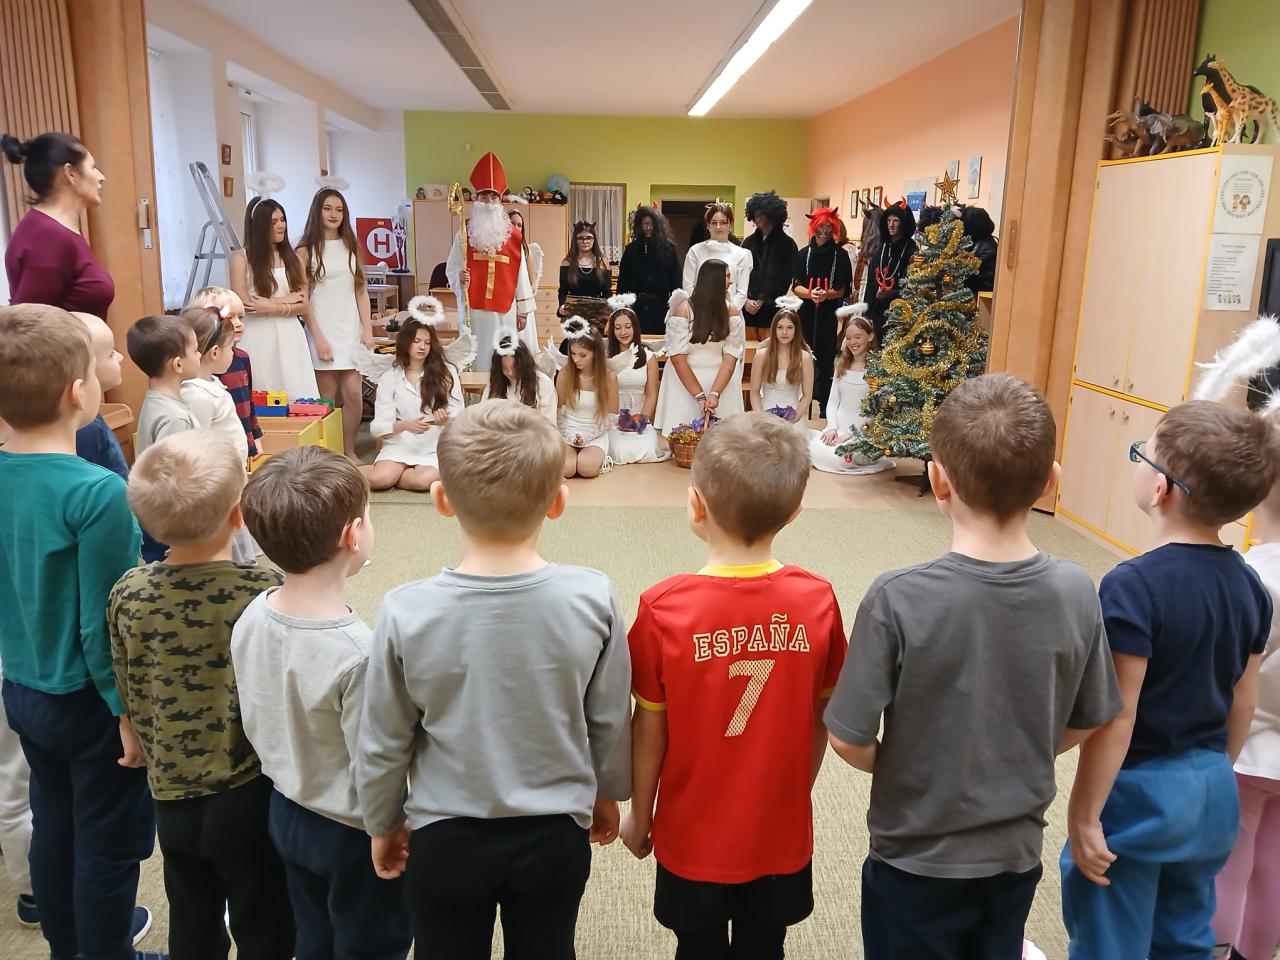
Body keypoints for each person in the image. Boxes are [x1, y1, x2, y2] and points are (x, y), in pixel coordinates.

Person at [826, 373, 1122, 959]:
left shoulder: (896, 597)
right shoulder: (1076, 589)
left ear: (937, 480)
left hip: (912, 858)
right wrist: (1023, 748)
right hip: (1015, 854)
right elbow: (1090, 716)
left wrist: (904, 766)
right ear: (1051, 481)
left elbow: (847, 738)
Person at [356, 399, 632, 957]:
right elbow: (608, 717)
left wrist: (382, 822)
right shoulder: (592, 597)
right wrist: (609, 792)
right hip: (555, 832)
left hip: (445, 835)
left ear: (440, 500)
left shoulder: (405, 611)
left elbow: (384, 737)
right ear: (558, 502)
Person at [621, 412, 846, 957]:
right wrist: (794, 795)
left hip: (692, 835)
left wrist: (640, 814)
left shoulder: (663, 609)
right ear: (795, 511)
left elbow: (649, 729)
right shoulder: (817, 601)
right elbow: (821, 719)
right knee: (765, 945)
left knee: (695, 946)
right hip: (779, 831)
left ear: (695, 506)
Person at [1062, 401, 1280, 960]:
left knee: (1111, 936)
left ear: (1161, 489)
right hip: (1212, 787)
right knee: (1185, 936)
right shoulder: (1250, 586)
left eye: (1142, 454)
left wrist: (1083, 814)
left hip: (1141, 792)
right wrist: (1214, 773)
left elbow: (1118, 713)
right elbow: (1243, 701)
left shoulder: (1132, 585)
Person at [0, 304, 162, 960]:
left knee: (56, 822)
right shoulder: (98, 494)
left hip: (22, 689)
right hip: (90, 702)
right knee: (107, 843)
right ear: (78, 392)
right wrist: (127, 713)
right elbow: (107, 623)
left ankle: (68, 949)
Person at [108, 432, 293, 960]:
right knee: (263, 915)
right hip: (248, 789)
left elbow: (125, 674)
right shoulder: (262, 588)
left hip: (169, 790)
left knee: (191, 914)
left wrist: (130, 732)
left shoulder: (129, 591)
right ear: (240, 514)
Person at [234, 448, 412, 960]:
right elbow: (375, 760)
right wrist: (390, 827)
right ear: (353, 535)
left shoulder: (253, 613)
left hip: (285, 806)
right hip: (351, 829)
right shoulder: (358, 652)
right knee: (371, 942)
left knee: (311, 932)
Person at [1213, 434, 1280, 960]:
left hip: (1246, 750)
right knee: (1273, 869)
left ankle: (1210, 948)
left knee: (1229, 868)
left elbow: (1230, 671)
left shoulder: (1255, 577)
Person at [298, 188, 374, 460]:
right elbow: (303, 300)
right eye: (328, 208)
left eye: (339, 209)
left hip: (350, 330)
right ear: (317, 212)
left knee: (353, 394)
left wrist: (367, 329)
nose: (334, 214)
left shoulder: (352, 247)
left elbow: (361, 290)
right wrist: (318, 338)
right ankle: (328, 454)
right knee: (327, 397)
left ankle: (348, 450)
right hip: (322, 330)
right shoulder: (305, 251)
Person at [2, 132, 113, 318]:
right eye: (92, 167)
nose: (101, 177)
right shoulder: (50, 237)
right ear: (70, 173)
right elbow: (27, 324)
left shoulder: (54, 229)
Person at [445, 152, 534, 373]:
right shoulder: (465, 232)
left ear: (500, 200)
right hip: (475, 311)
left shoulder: (513, 235)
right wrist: (458, 276)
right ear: (476, 199)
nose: (489, 202)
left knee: (503, 357)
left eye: (494, 197)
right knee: (478, 357)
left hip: (505, 311)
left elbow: (521, 274)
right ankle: (476, 394)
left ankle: (501, 393)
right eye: (484, 196)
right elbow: (452, 267)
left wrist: (523, 310)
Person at [230, 198, 320, 399]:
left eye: (282, 220)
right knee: (262, 390)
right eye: (273, 222)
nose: (281, 226)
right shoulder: (241, 258)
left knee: (296, 391)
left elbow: (303, 303)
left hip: (290, 334)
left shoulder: (294, 258)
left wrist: (271, 305)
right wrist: (288, 300)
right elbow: (245, 304)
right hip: (257, 335)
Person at [364, 313, 464, 493]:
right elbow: (378, 427)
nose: (422, 347)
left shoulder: (447, 372)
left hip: (433, 444)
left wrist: (445, 421)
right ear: (406, 342)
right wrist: (404, 426)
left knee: (423, 481)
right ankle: (353, 472)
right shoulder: (390, 377)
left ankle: (396, 477)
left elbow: (460, 414)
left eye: (427, 342)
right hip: (400, 443)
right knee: (380, 479)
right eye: (417, 341)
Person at [654, 260, 746, 436]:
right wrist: (699, 395)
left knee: (724, 438)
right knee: (684, 437)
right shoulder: (683, 310)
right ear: (714, 279)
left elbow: (731, 357)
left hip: (720, 379)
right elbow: (678, 358)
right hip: (685, 379)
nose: (731, 281)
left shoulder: (731, 311)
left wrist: (715, 393)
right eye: (727, 276)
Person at [810, 306, 895, 476]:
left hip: (862, 431)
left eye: (858, 337)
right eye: (848, 338)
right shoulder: (842, 365)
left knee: (841, 457)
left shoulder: (878, 369)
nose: (852, 342)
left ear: (870, 337)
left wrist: (850, 434)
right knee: (812, 450)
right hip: (838, 427)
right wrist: (832, 427)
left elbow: (875, 411)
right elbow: (833, 402)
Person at [791, 207, 853, 416]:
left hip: (828, 314)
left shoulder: (841, 256)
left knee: (826, 360)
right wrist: (811, 294)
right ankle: (800, 399)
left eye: (828, 226)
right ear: (814, 227)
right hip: (806, 313)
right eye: (821, 226)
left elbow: (842, 289)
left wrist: (827, 295)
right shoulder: (803, 254)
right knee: (803, 355)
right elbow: (796, 285)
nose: (825, 230)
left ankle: (826, 404)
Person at [195, 286, 262, 459]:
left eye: (240, 317)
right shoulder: (206, 368)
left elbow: (248, 402)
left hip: (242, 443)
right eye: (230, 318)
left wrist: (255, 437)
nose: (238, 323)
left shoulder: (242, 358)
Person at [128, 312, 201, 455]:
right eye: (195, 350)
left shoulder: (156, 401)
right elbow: (170, 467)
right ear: (178, 364)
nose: (199, 355)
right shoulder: (175, 419)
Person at [605, 296, 667, 464]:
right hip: (613, 420)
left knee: (648, 448)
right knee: (619, 451)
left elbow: (652, 394)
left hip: (640, 419)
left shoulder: (649, 357)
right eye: (618, 328)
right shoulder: (606, 359)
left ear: (635, 328)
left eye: (628, 327)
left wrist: (642, 419)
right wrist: (615, 420)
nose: (623, 332)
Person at [557, 318, 618, 479]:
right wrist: (569, 436)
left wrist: (587, 437)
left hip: (595, 433)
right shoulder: (565, 373)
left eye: (583, 355)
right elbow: (557, 411)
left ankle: (600, 460)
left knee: (586, 468)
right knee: (567, 469)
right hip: (568, 431)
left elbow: (612, 416)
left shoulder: (609, 377)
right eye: (573, 354)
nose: (576, 359)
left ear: (595, 353)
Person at [741, 191, 798, 341]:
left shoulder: (788, 245)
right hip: (746, 311)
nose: (757, 218)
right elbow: (740, 273)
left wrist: (762, 300)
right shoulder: (748, 242)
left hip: (771, 312)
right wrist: (746, 300)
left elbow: (783, 278)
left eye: (762, 214)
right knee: (746, 352)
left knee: (768, 353)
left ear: (773, 216)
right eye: (755, 214)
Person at [748, 297, 813, 428]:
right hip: (765, 415)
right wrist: (761, 417)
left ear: (796, 330)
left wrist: (795, 417)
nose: (784, 332)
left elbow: (807, 395)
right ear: (774, 329)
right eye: (780, 327)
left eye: (789, 328)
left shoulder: (805, 357)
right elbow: (754, 392)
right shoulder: (761, 356)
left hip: (793, 416)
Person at [616, 206, 681, 336]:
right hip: (636, 306)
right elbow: (623, 282)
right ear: (639, 225)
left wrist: (676, 307)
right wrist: (620, 307)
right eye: (645, 224)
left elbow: (676, 282)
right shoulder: (631, 250)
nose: (648, 227)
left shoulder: (668, 249)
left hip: (661, 307)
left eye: (651, 224)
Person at [862, 200, 917, 344]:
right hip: (876, 311)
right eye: (889, 220)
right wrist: (866, 314)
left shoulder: (911, 250)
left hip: (899, 315)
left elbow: (912, 287)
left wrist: (890, 294)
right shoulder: (881, 247)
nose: (891, 225)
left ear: (903, 223)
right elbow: (871, 283)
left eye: (896, 220)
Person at [682, 202, 753, 309]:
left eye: (723, 222)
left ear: (730, 225)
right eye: (714, 223)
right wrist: (701, 310)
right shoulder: (695, 251)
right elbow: (688, 286)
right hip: (700, 312)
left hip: (731, 313)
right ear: (708, 225)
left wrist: (728, 311)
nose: (718, 227)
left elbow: (741, 293)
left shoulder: (742, 254)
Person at [482, 331, 557, 425]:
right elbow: (483, 416)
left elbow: (548, 424)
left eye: (514, 367)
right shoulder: (495, 384)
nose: (510, 373)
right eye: (504, 368)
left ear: (524, 364)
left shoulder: (543, 383)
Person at [557, 220, 613, 329]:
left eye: (588, 238)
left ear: (594, 240)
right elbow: (563, 291)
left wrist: (609, 311)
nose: (585, 241)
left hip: (597, 316)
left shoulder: (603, 263)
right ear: (575, 240)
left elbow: (607, 292)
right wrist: (562, 306)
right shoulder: (567, 263)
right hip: (573, 316)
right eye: (580, 238)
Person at [508, 207, 544, 353]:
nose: (516, 228)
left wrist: (520, 301)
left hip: (521, 303)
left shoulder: (526, 252)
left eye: (519, 225)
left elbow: (532, 284)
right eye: (512, 224)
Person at [962, 206, 998, 294]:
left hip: (979, 294)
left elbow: (964, 274)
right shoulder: (987, 241)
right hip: (979, 291)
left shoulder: (982, 249)